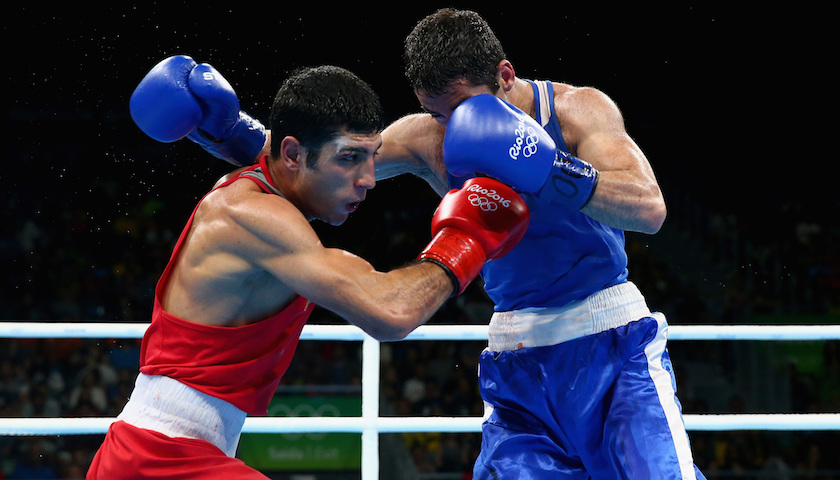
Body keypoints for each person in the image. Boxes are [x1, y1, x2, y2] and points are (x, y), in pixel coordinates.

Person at [176, 9, 704, 478]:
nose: (456, 129)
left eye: (463, 109)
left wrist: (548, 167)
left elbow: (649, 207)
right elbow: (318, 164)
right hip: (518, 356)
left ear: (505, 76)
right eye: (438, 113)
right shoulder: (428, 136)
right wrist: (230, 130)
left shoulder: (576, 109)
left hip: (611, 340)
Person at [86, 56, 530, 479]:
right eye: (349, 158)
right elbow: (390, 311)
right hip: (156, 458)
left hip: (178, 454)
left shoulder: (274, 188)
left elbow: (280, 154)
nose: (369, 179)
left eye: (372, 155)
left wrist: (236, 132)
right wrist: (466, 241)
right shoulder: (248, 215)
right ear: (293, 154)